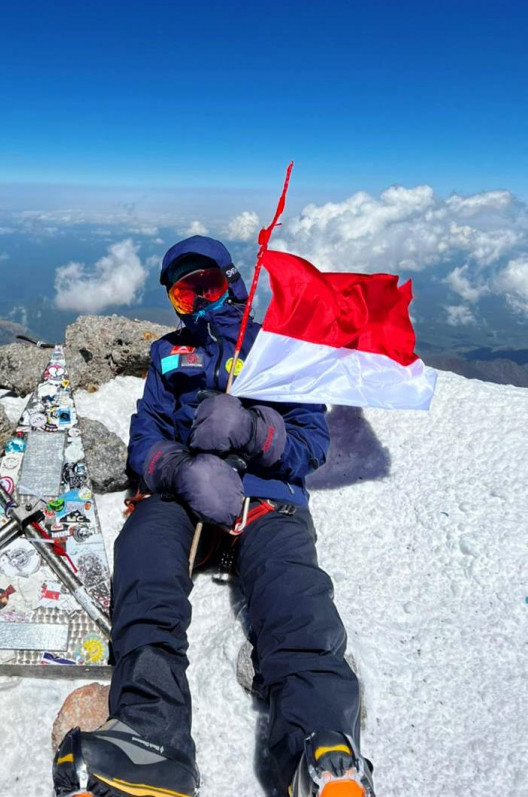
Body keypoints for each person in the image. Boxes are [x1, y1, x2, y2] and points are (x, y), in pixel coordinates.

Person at [53, 236, 375, 797]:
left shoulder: (278, 349)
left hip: (263, 498)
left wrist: (249, 430)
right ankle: (151, 737)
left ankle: (318, 747)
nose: (198, 301)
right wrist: (179, 470)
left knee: (292, 593)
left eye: (208, 285)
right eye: (184, 292)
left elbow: (310, 444)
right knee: (144, 562)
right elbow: (145, 436)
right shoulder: (166, 354)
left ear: (232, 281)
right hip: (184, 496)